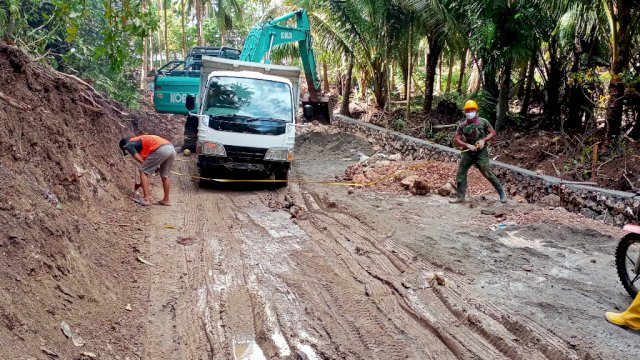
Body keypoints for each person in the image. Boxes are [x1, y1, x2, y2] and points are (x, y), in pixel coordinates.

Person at [450, 100, 506, 204]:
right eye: (467, 110)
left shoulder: (483, 122)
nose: (469, 112)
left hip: (481, 153)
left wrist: (483, 140)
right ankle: (460, 196)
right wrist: (467, 145)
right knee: (461, 173)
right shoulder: (462, 125)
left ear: (476, 110)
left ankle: (502, 193)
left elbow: (493, 133)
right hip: (468, 153)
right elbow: (456, 140)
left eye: (471, 110)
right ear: (464, 111)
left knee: (487, 172)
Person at [119, 135, 176, 206]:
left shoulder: (128, 144)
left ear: (124, 147)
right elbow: (150, 163)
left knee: (142, 171)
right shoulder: (141, 143)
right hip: (171, 148)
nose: (128, 151)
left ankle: (146, 199)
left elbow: (142, 163)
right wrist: (140, 184)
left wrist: (151, 167)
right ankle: (166, 200)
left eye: (127, 151)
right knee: (164, 175)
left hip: (161, 149)